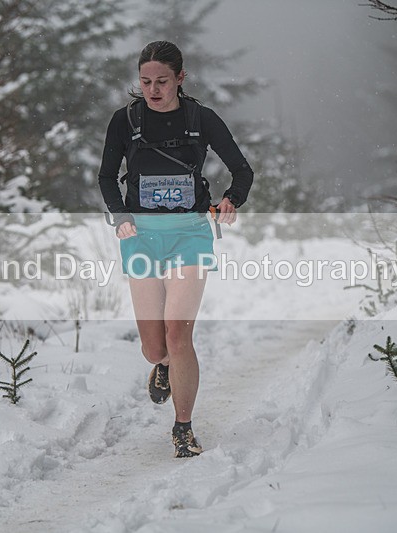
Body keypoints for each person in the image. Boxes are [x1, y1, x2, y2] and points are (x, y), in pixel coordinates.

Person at [98, 41, 253, 458]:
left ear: (180, 79)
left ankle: (183, 427)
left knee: (178, 334)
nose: (152, 89)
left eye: (162, 81)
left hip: (190, 232)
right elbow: (107, 177)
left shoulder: (201, 119)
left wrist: (230, 200)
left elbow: (242, 169)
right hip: (141, 234)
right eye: (145, 81)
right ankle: (161, 366)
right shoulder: (125, 121)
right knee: (155, 346)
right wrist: (120, 214)